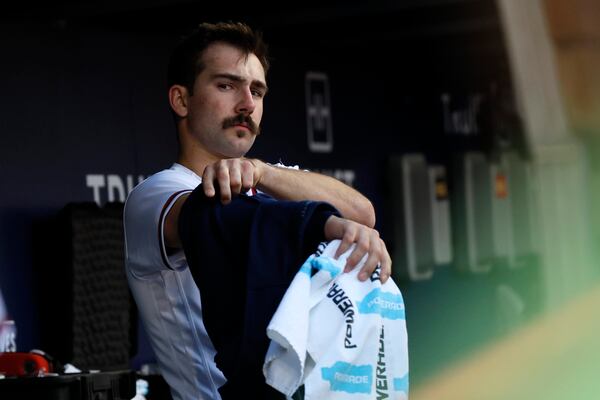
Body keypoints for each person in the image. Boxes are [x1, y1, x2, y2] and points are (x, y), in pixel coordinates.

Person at [124, 21, 392, 400]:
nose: (247, 104)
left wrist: (263, 171)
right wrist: (322, 222)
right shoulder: (156, 193)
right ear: (181, 100)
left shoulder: (266, 178)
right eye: (227, 85)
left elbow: (362, 213)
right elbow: (219, 218)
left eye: (257, 90)